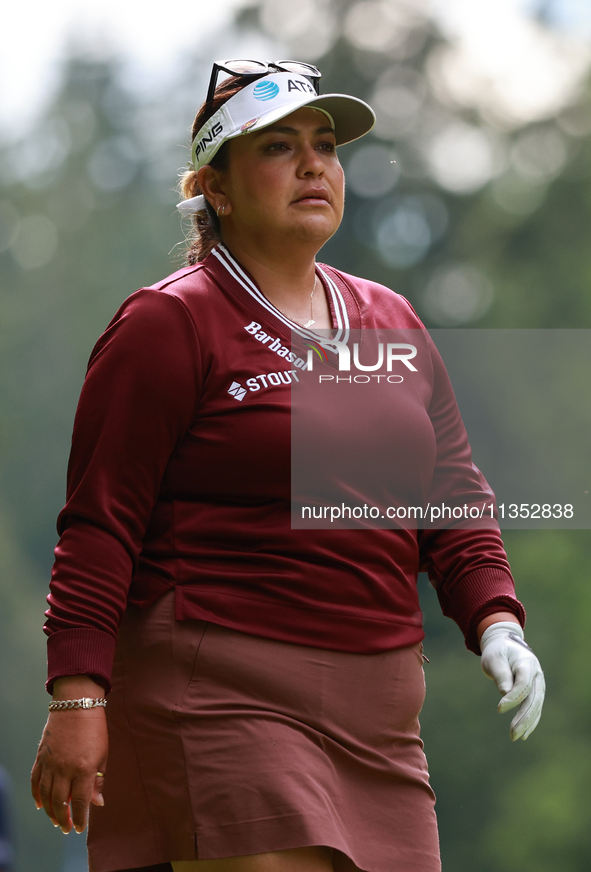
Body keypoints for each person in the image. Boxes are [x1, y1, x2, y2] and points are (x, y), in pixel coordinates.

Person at [31, 60, 545, 872]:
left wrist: (495, 619)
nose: (314, 165)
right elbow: (99, 525)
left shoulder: (388, 318)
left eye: (325, 145)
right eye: (277, 147)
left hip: (379, 717)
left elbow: (450, 492)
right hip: (220, 685)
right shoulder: (169, 322)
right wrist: (78, 695)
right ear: (217, 189)